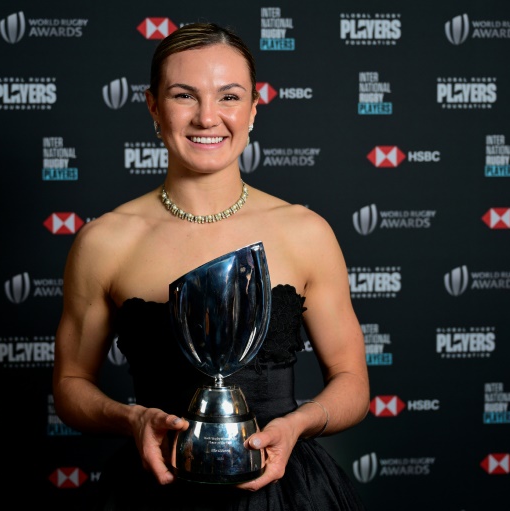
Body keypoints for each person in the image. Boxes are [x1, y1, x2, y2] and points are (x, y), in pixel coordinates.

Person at [53, 22, 370, 510]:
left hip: (286, 493)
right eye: (184, 95)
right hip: (153, 491)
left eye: (228, 96)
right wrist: (132, 419)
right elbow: (71, 386)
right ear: (154, 107)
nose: (207, 117)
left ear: (252, 110)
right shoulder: (104, 242)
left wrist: (297, 424)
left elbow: (352, 381)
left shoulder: (306, 232)